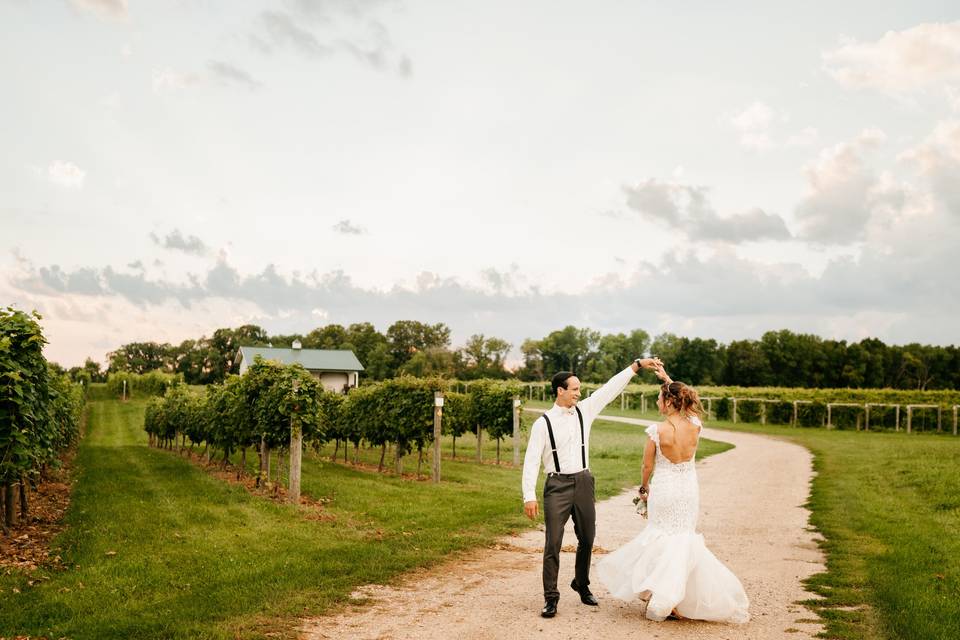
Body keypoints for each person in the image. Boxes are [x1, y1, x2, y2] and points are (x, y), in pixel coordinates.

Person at [596, 366, 750, 623]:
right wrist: (667, 380)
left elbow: (647, 466)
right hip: (688, 488)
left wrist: (644, 487)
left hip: (665, 489)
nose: (657, 401)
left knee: (661, 538)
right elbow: (685, 400)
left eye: (659, 397)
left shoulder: (657, 431)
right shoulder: (695, 425)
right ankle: (672, 597)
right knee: (682, 540)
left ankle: (663, 596)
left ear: (668, 401)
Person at [522, 357, 663, 618]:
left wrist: (637, 366)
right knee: (553, 542)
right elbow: (531, 461)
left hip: (584, 482)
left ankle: (581, 583)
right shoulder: (543, 423)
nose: (579, 393)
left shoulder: (584, 410)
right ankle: (551, 597)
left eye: (579, 389)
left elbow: (610, 388)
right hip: (557, 485)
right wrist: (528, 495)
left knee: (587, 538)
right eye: (574, 389)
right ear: (560, 391)